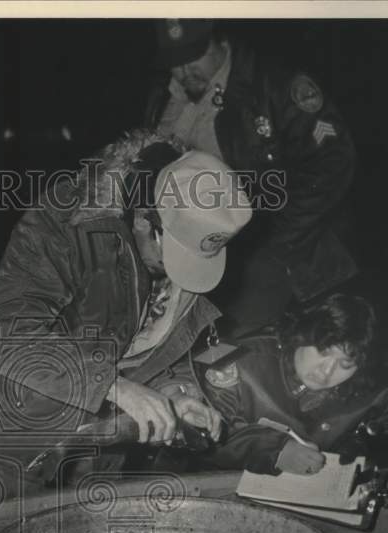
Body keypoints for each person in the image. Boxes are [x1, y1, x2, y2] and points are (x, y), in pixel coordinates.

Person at [0, 130, 253, 496]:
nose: (177, 273)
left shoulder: (192, 219)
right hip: (21, 420)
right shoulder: (66, 224)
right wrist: (115, 387)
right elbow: (2, 336)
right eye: (173, 256)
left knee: (99, 532)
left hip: (103, 427)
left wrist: (174, 395)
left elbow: (151, 342)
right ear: (144, 220)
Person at [146, 19, 358, 336]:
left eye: (194, 56)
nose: (184, 70)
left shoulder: (276, 86)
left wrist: (274, 241)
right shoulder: (164, 95)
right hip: (187, 247)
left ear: (217, 41)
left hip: (264, 252)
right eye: (175, 62)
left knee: (226, 343)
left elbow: (335, 160)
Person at [186, 294, 388, 476]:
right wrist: (275, 451)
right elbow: (201, 436)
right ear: (301, 334)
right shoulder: (230, 358)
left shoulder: (381, 380)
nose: (326, 372)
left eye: (345, 364)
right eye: (323, 352)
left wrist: (364, 452)